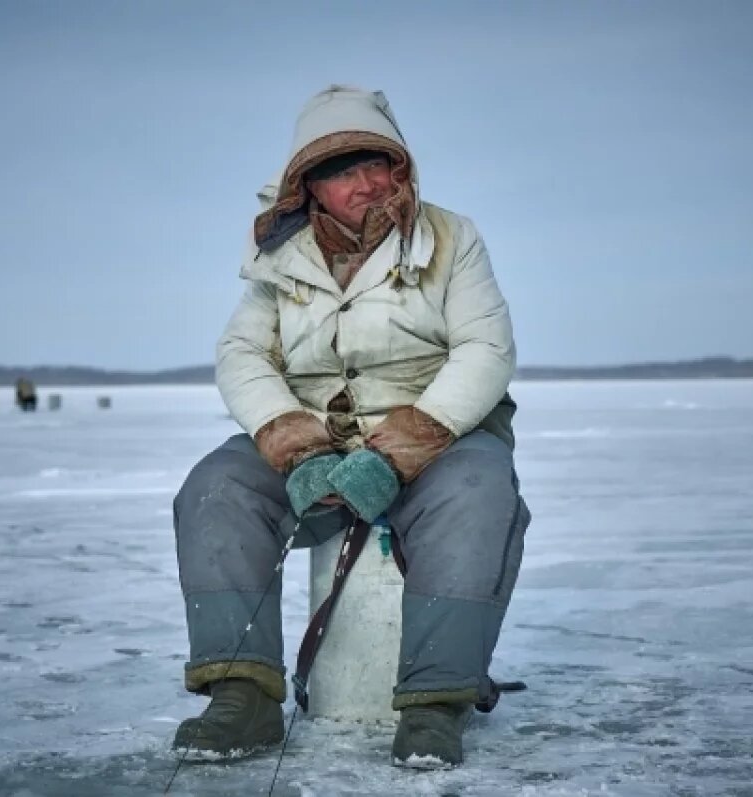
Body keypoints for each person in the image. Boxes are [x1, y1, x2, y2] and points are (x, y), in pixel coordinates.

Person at [172, 85, 529, 768]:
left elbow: (486, 349)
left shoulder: (452, 237)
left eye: (377, 164)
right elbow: (243, 353)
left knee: (479, 492)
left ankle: (435, 705)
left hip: (437, 438)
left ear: (400, 167)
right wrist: (292, 443)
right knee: (217, 487)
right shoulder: (278, 255)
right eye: (343, 171)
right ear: (309, 186)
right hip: (312, 442)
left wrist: (397, 452)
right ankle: (242, 695)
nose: (366, 183)